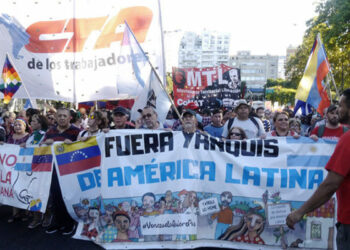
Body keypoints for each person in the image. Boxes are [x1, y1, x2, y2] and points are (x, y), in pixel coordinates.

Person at [286, 88, 350, 250]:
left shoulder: (347, 139)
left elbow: (330, 184)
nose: (338, 110)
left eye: (341, 106)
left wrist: (299, 212)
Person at [41, 107, 81, 235]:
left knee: (68, 196)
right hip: (53, 170)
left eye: (65, 116)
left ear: (70, 117)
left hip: (70, 171)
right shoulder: (50, 131)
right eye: (60, 116)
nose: (62, 118)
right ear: (56, 117)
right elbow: (40, 147)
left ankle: (69, 223)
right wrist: (45, 143)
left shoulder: (76, 131)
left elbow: (84, 147)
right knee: (55, 196)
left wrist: (74, 144)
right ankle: (57, 223)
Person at [3, 118, 31, 223]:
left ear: (25, 126)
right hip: (11, 167)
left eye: (20, 125)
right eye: (15, 125)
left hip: (23, 166)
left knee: (24, 189)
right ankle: (15, 213)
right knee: (13, 188)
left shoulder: (29, 137)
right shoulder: (10, 136)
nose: (17, 127)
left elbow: (32, 148)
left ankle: (26, 212)